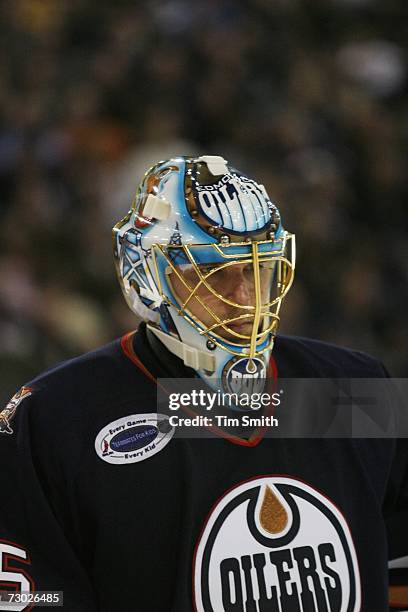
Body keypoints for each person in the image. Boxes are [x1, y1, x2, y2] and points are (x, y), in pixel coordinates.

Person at [0, 155, 406, 611]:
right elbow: (33, 597)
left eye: (258, 269)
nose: (246, 297)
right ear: (149, 277)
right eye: (215, 276)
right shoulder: (56, 419)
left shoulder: (356, 387)